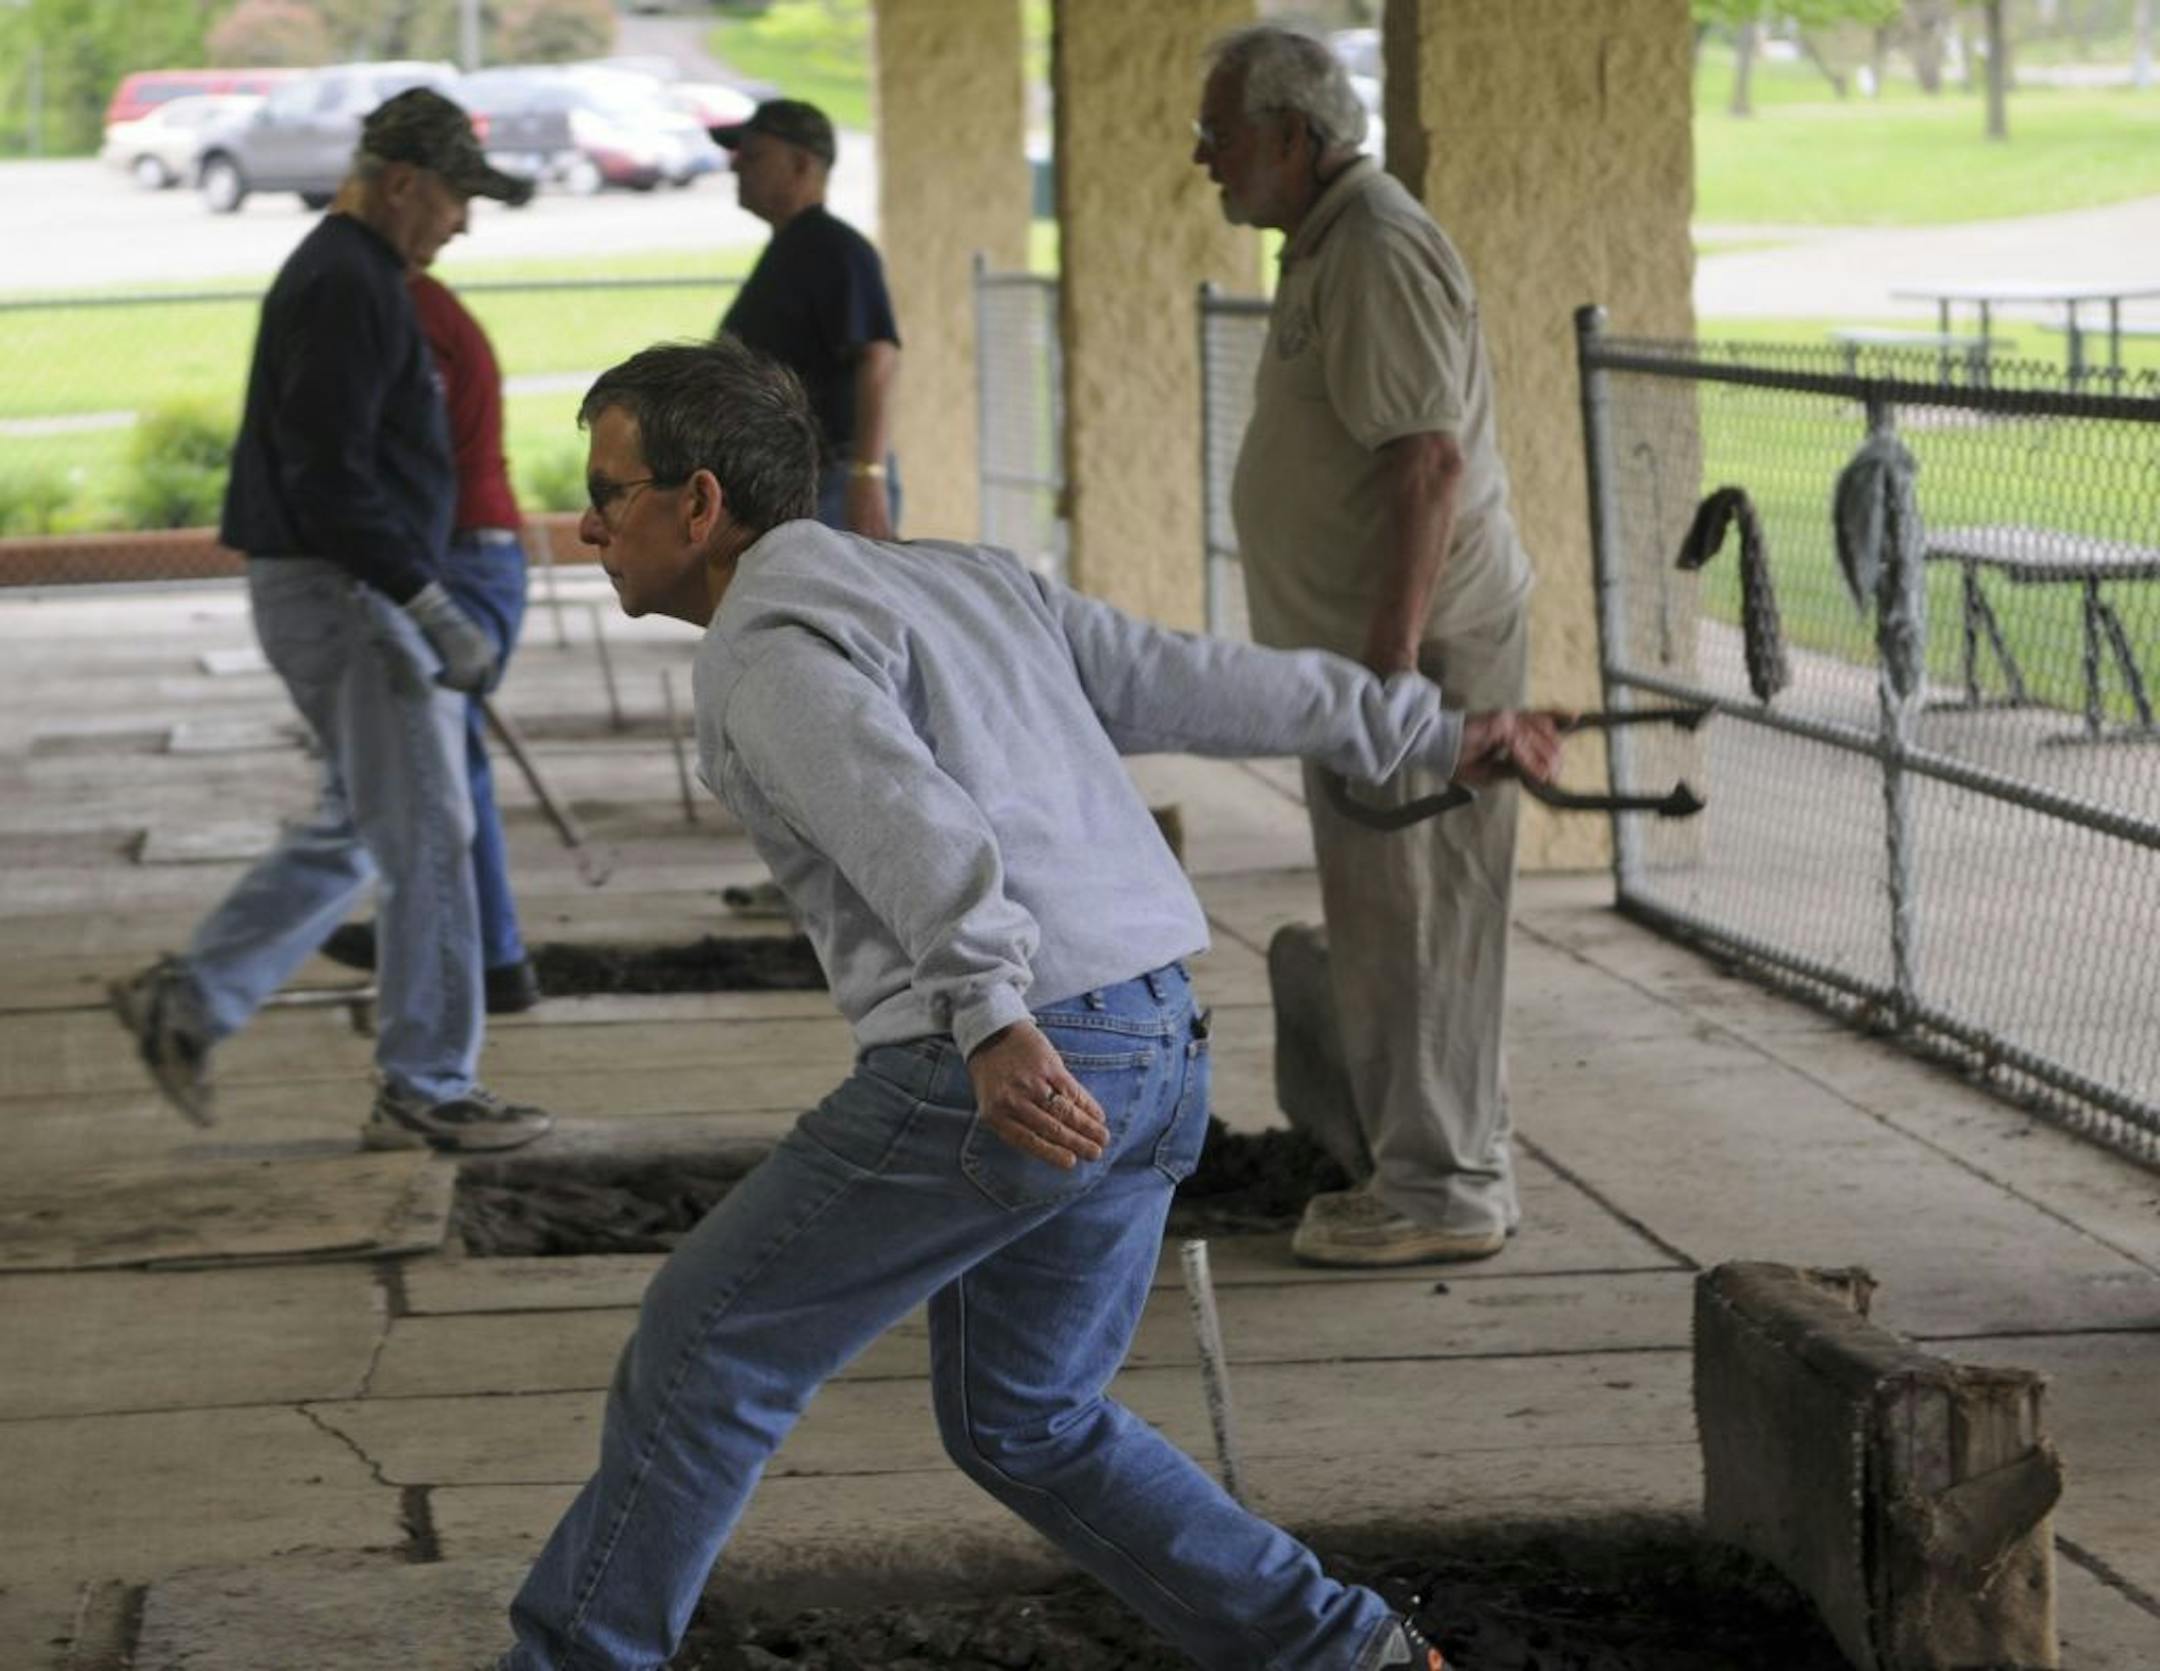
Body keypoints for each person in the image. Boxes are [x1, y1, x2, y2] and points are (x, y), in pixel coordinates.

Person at [495, 334, 1566, 1671]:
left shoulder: (767, 647)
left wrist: (992, 1017)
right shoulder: (963, 580)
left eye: (612, 489)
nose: (589, 523)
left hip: (1016, 1057)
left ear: (701, 504)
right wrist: (1418, 724)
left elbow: (910, 822)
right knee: (1027, 1412)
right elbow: (1189, 674)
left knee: (707, 1342)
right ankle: (1352, 1654)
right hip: (1156, 1039)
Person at [108, 89, 553, 1155]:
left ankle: (194, 998)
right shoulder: (350, 284)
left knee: (364, 826)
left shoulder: (354, 276)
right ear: (402, 182)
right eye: (455, 199)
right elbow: (330, 473)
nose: (463, 223)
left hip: (334, 587)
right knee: (434, 838)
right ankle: (428, 1083)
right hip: (346, 591)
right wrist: (427, 598)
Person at [1194, 25, 1538, 1269]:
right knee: (1396, 920)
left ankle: (1439, 1193)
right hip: (1368, 665)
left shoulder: (1379, 246)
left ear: (1295, 135)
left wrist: (1389, 678)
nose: (1203, 159)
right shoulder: (1332, 241)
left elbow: (1425, 464)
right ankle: (1440, 1165)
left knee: (1423, 916)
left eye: (1220, 134)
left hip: (1418, 655)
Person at [316, 250, 543, 1016]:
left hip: (460, 559)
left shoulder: (406, 316)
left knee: (442, 769)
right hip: (463, 554)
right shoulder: (410, 308)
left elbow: (401, 459)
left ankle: (485, 956)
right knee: (442, 763)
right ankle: (468, 944)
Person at [710, 98, 901, 538]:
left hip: (829, 482)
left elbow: (878, 358)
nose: (737, 168)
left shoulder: (836, 251)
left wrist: (867, 475)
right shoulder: (794, 247)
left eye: (753, 156)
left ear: (801, 164)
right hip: (795, 481)